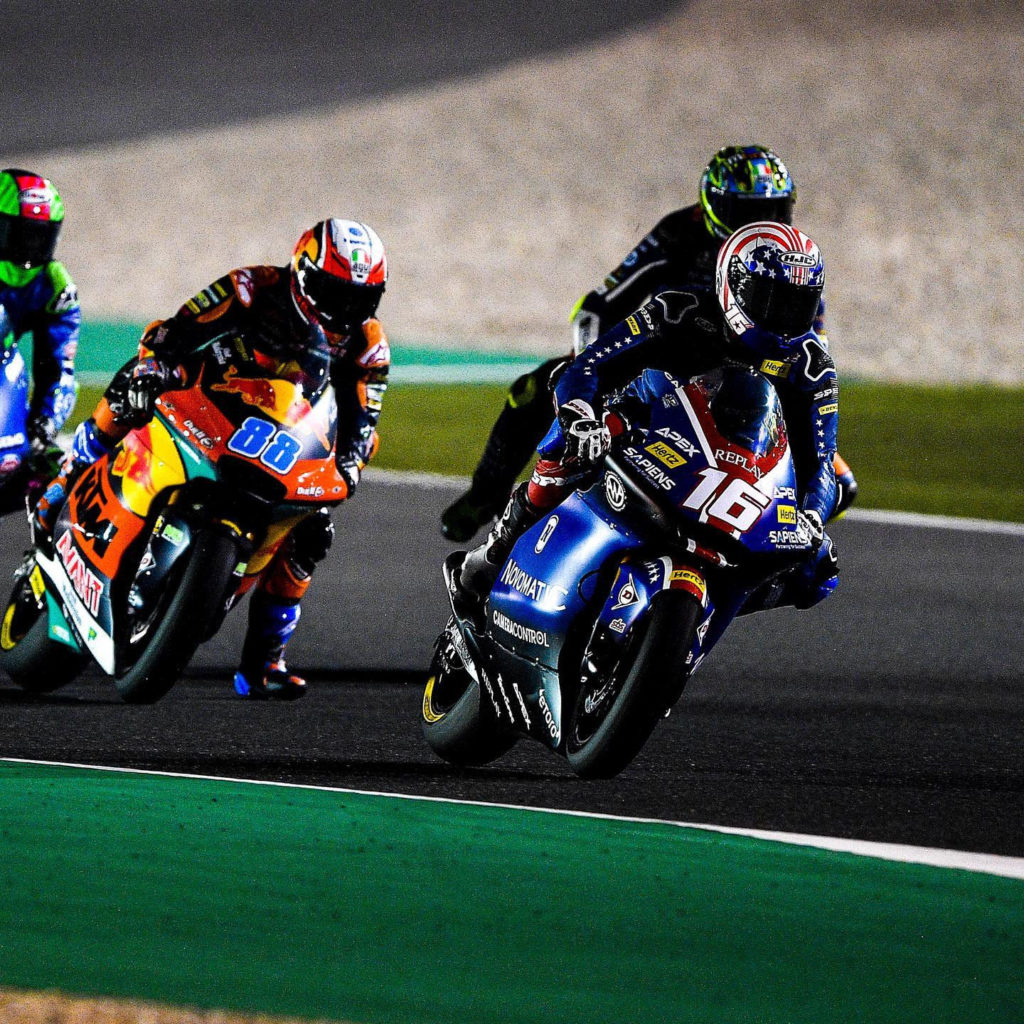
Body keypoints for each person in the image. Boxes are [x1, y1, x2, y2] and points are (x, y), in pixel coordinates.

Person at [34, 218, 389, 699]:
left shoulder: (368, 344)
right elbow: (178, 329)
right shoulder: (252, 288)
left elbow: (362, 421)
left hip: (281, 435)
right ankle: (66, 478)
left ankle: (263, 663)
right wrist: (156, 363)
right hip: (214, 392)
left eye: (359, 298)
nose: (345, 309)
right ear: (303, 273)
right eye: (334, 292)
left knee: (313, 533)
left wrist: (348, 468)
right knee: (133, 384)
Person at [441, 145, 857, 541]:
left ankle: (748, 551)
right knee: (542, 385)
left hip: (747, 386)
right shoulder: (680, 232)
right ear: (712, 206)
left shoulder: (790, 265)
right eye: (747, 212)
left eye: (772, 210)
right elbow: (598, 305)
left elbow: (810, 350)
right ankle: (489, 494)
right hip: (665, 361)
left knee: (839, 484)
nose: (758, 223)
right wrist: (589, 362)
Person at [456, 221, 840, 615]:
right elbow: (587, 367)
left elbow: (822, 465)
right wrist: (581, 415)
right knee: (564, 442)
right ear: (733, 284)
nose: (782, 316)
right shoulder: (678, 312)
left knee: (820, 570)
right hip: (648, 426)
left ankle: (706, 612)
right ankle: (493, 554)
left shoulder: (812, 367)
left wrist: (811, 517)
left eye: (797, 304)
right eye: (771, 299)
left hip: (745, 467)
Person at [0, 168, 80, 475]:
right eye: (19, 233)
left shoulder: (56, 287)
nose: (29, 246)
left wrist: (45, 422)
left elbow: (61, 369)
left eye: (38, 235)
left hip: (3, 364)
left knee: (35, 463)